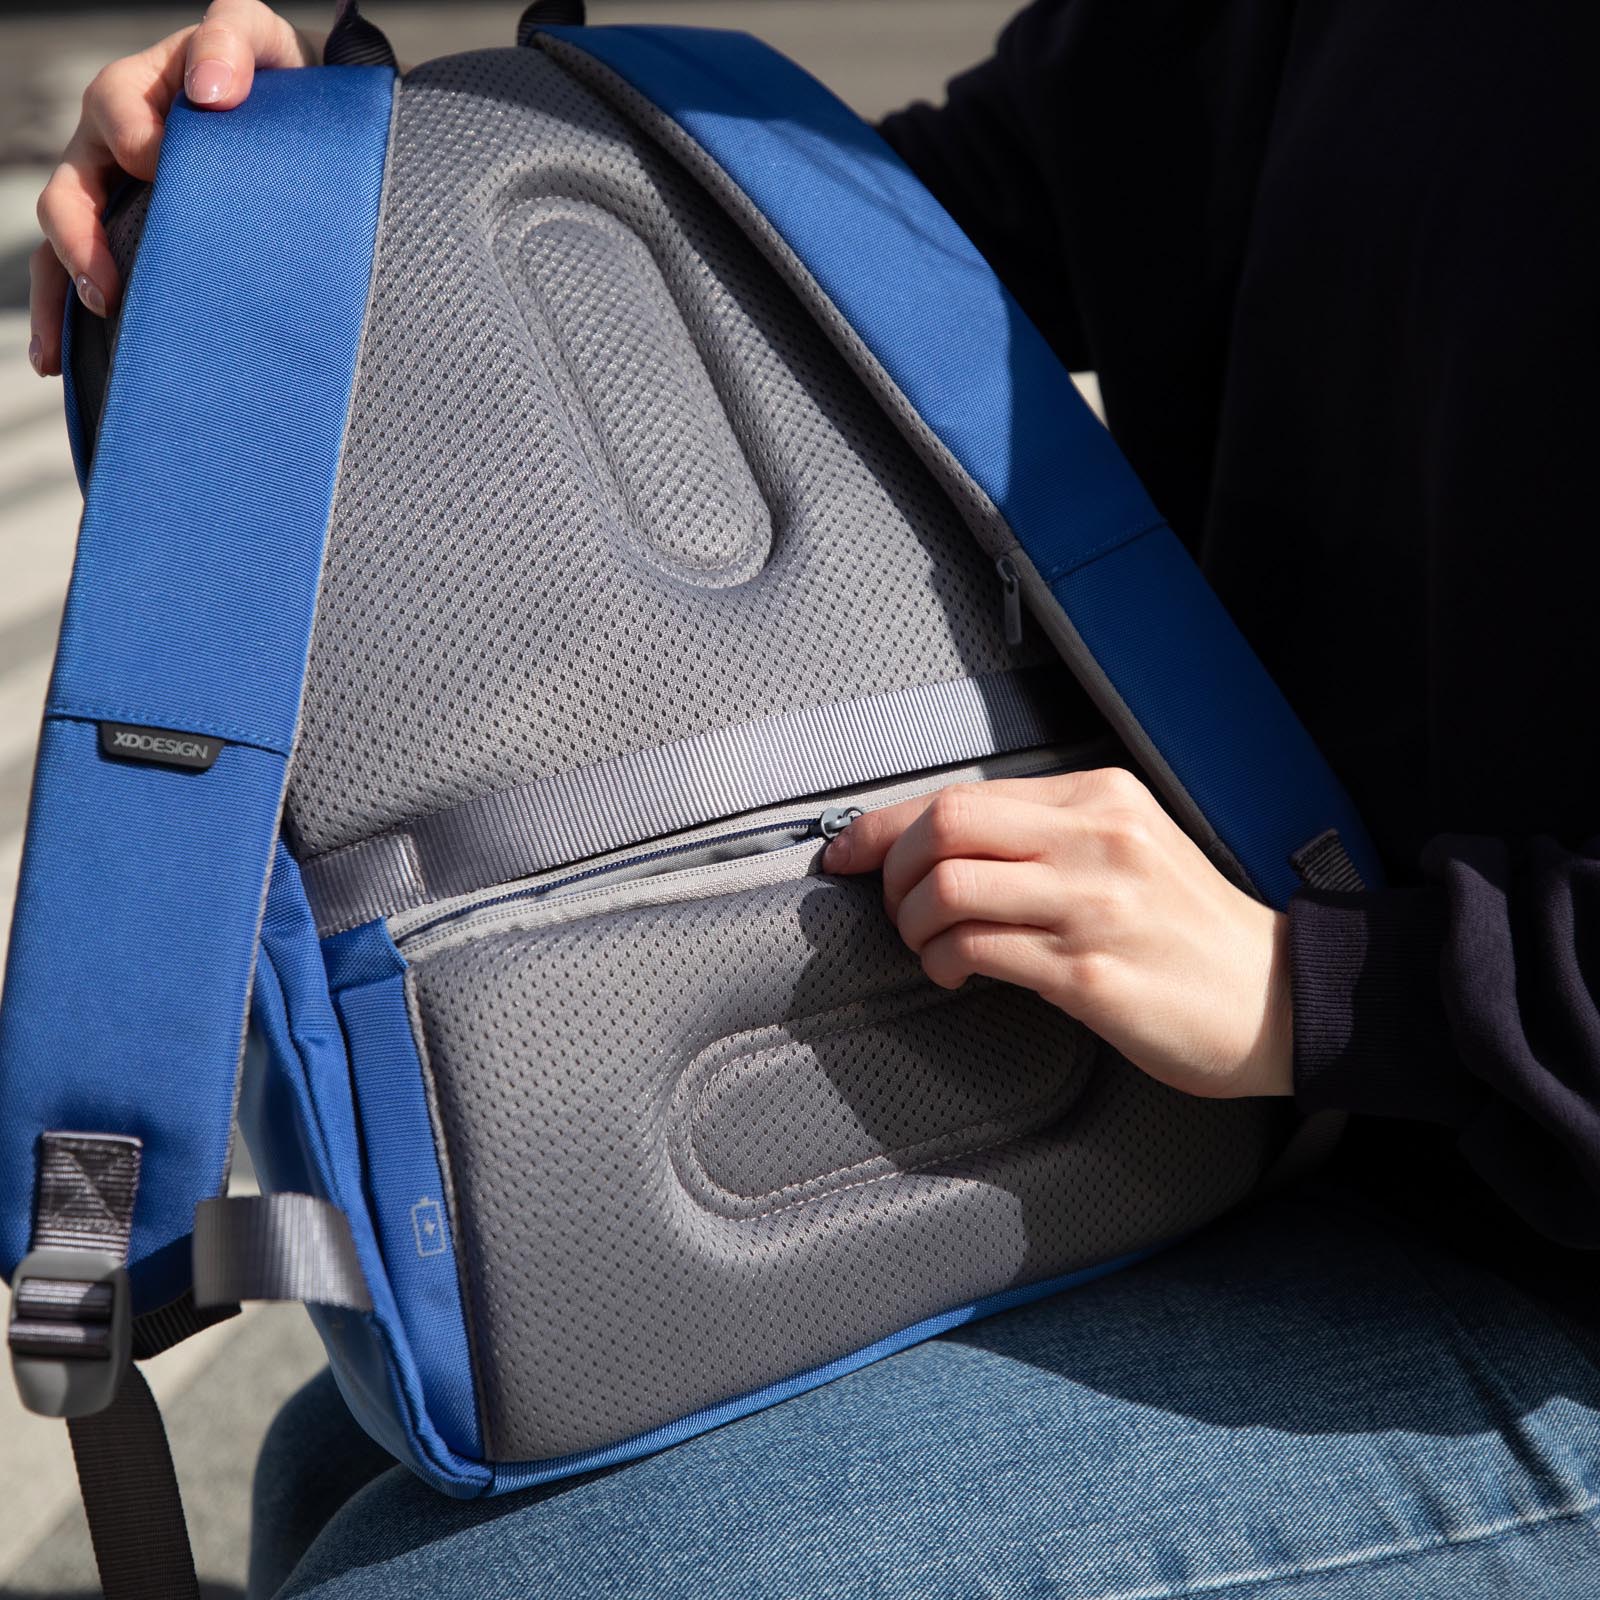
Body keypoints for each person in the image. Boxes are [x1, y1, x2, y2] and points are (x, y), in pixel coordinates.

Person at [28, 3, 1600, 1595]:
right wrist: (307, 199)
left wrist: (1320, 987)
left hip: (1531, 1254)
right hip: (1317, 1127)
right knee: (337, 1447)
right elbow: (891, 241)